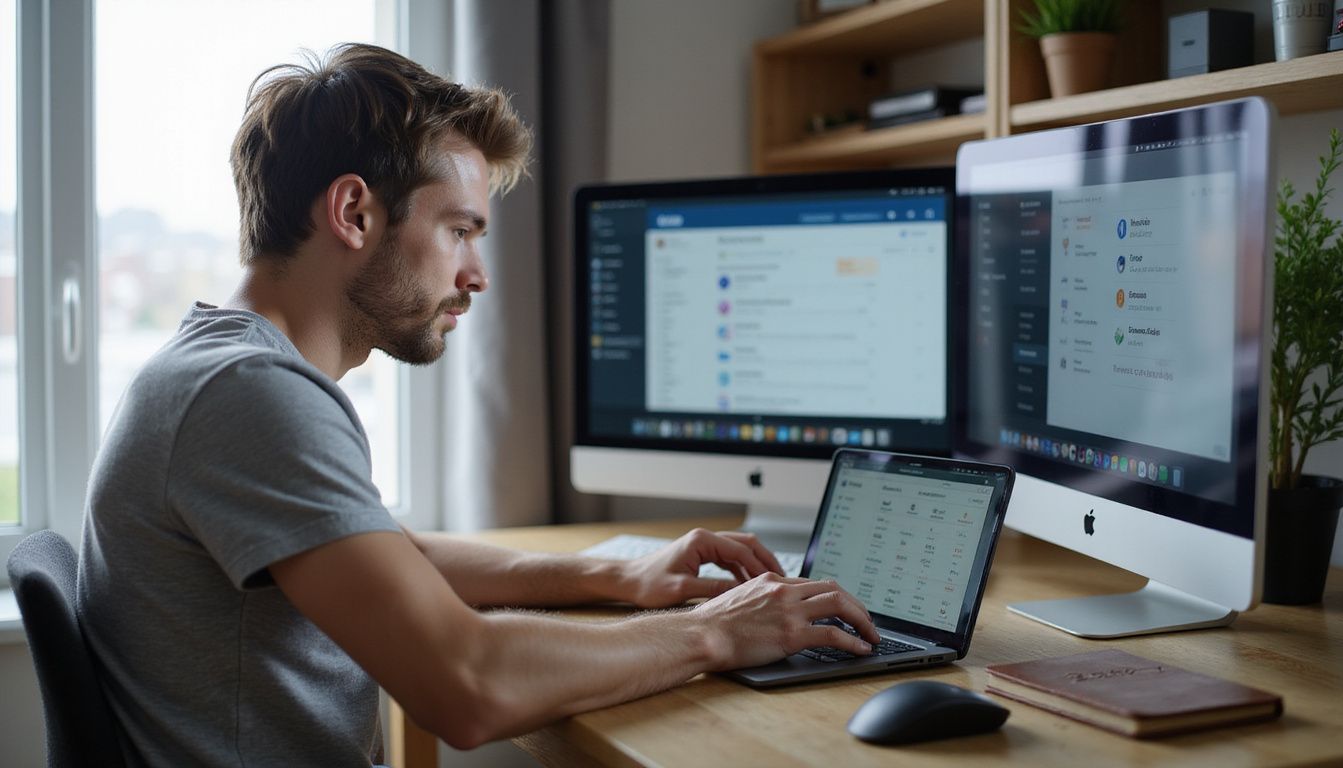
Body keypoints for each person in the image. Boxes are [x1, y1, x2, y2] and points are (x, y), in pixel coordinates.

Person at [78, 43, 878, 766]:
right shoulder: (249, 395)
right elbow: (467, 685)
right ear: (354, 213)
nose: (478, 276)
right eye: (460, 230)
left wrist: (620, 575)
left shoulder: (224, 368)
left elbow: (398, 557)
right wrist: (719, 630)